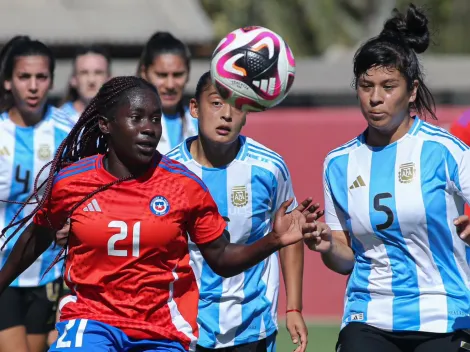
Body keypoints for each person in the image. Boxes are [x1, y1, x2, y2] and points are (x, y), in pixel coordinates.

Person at [0, 76, 320, 352]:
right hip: (92, 320)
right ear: (105, 124)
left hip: (159, 330)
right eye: (136, 118)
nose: (149, 129)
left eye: (155, 119)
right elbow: (36, 238)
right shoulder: (73, 182)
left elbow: (221, 258)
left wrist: (274, 240)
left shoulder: (184, 184)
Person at [305, 4, 470, 352]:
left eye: (388, 86)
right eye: (366, 86)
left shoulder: (446, 151)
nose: (376, 98)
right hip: (369, 315)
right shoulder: (339, 163)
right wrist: (324, 245)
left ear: (411, 91)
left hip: (444, 314)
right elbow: (345, 257)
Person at [167, 72, 316, 352]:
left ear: (247, 113)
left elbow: (289, 234)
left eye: (237, 105)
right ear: (195, 108)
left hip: (251, 324)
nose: (227, 114)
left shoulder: (269, 168)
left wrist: (293, 307)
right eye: (216, 103)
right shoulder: (168, 171)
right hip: (182, 324)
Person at [0, 36, 73, 352]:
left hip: (49, 273)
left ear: (51, 81)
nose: (33, 86)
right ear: (7, 81)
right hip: (4, 273)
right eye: (24, 77)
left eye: (41, 77)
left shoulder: (68, 131)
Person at [138, 32, 197, 154]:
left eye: (178, 75)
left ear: (188, 73)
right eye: (161, 75)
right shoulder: (129, 124)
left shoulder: (201, 123)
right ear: (144, 72)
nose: (170, 85)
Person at [60, 45, 111, 123]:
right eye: (84, 73)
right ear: (73, 79)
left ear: (109, 79)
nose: (91, 80)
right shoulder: (58, 120)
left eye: (98, 73)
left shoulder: (121, 120)